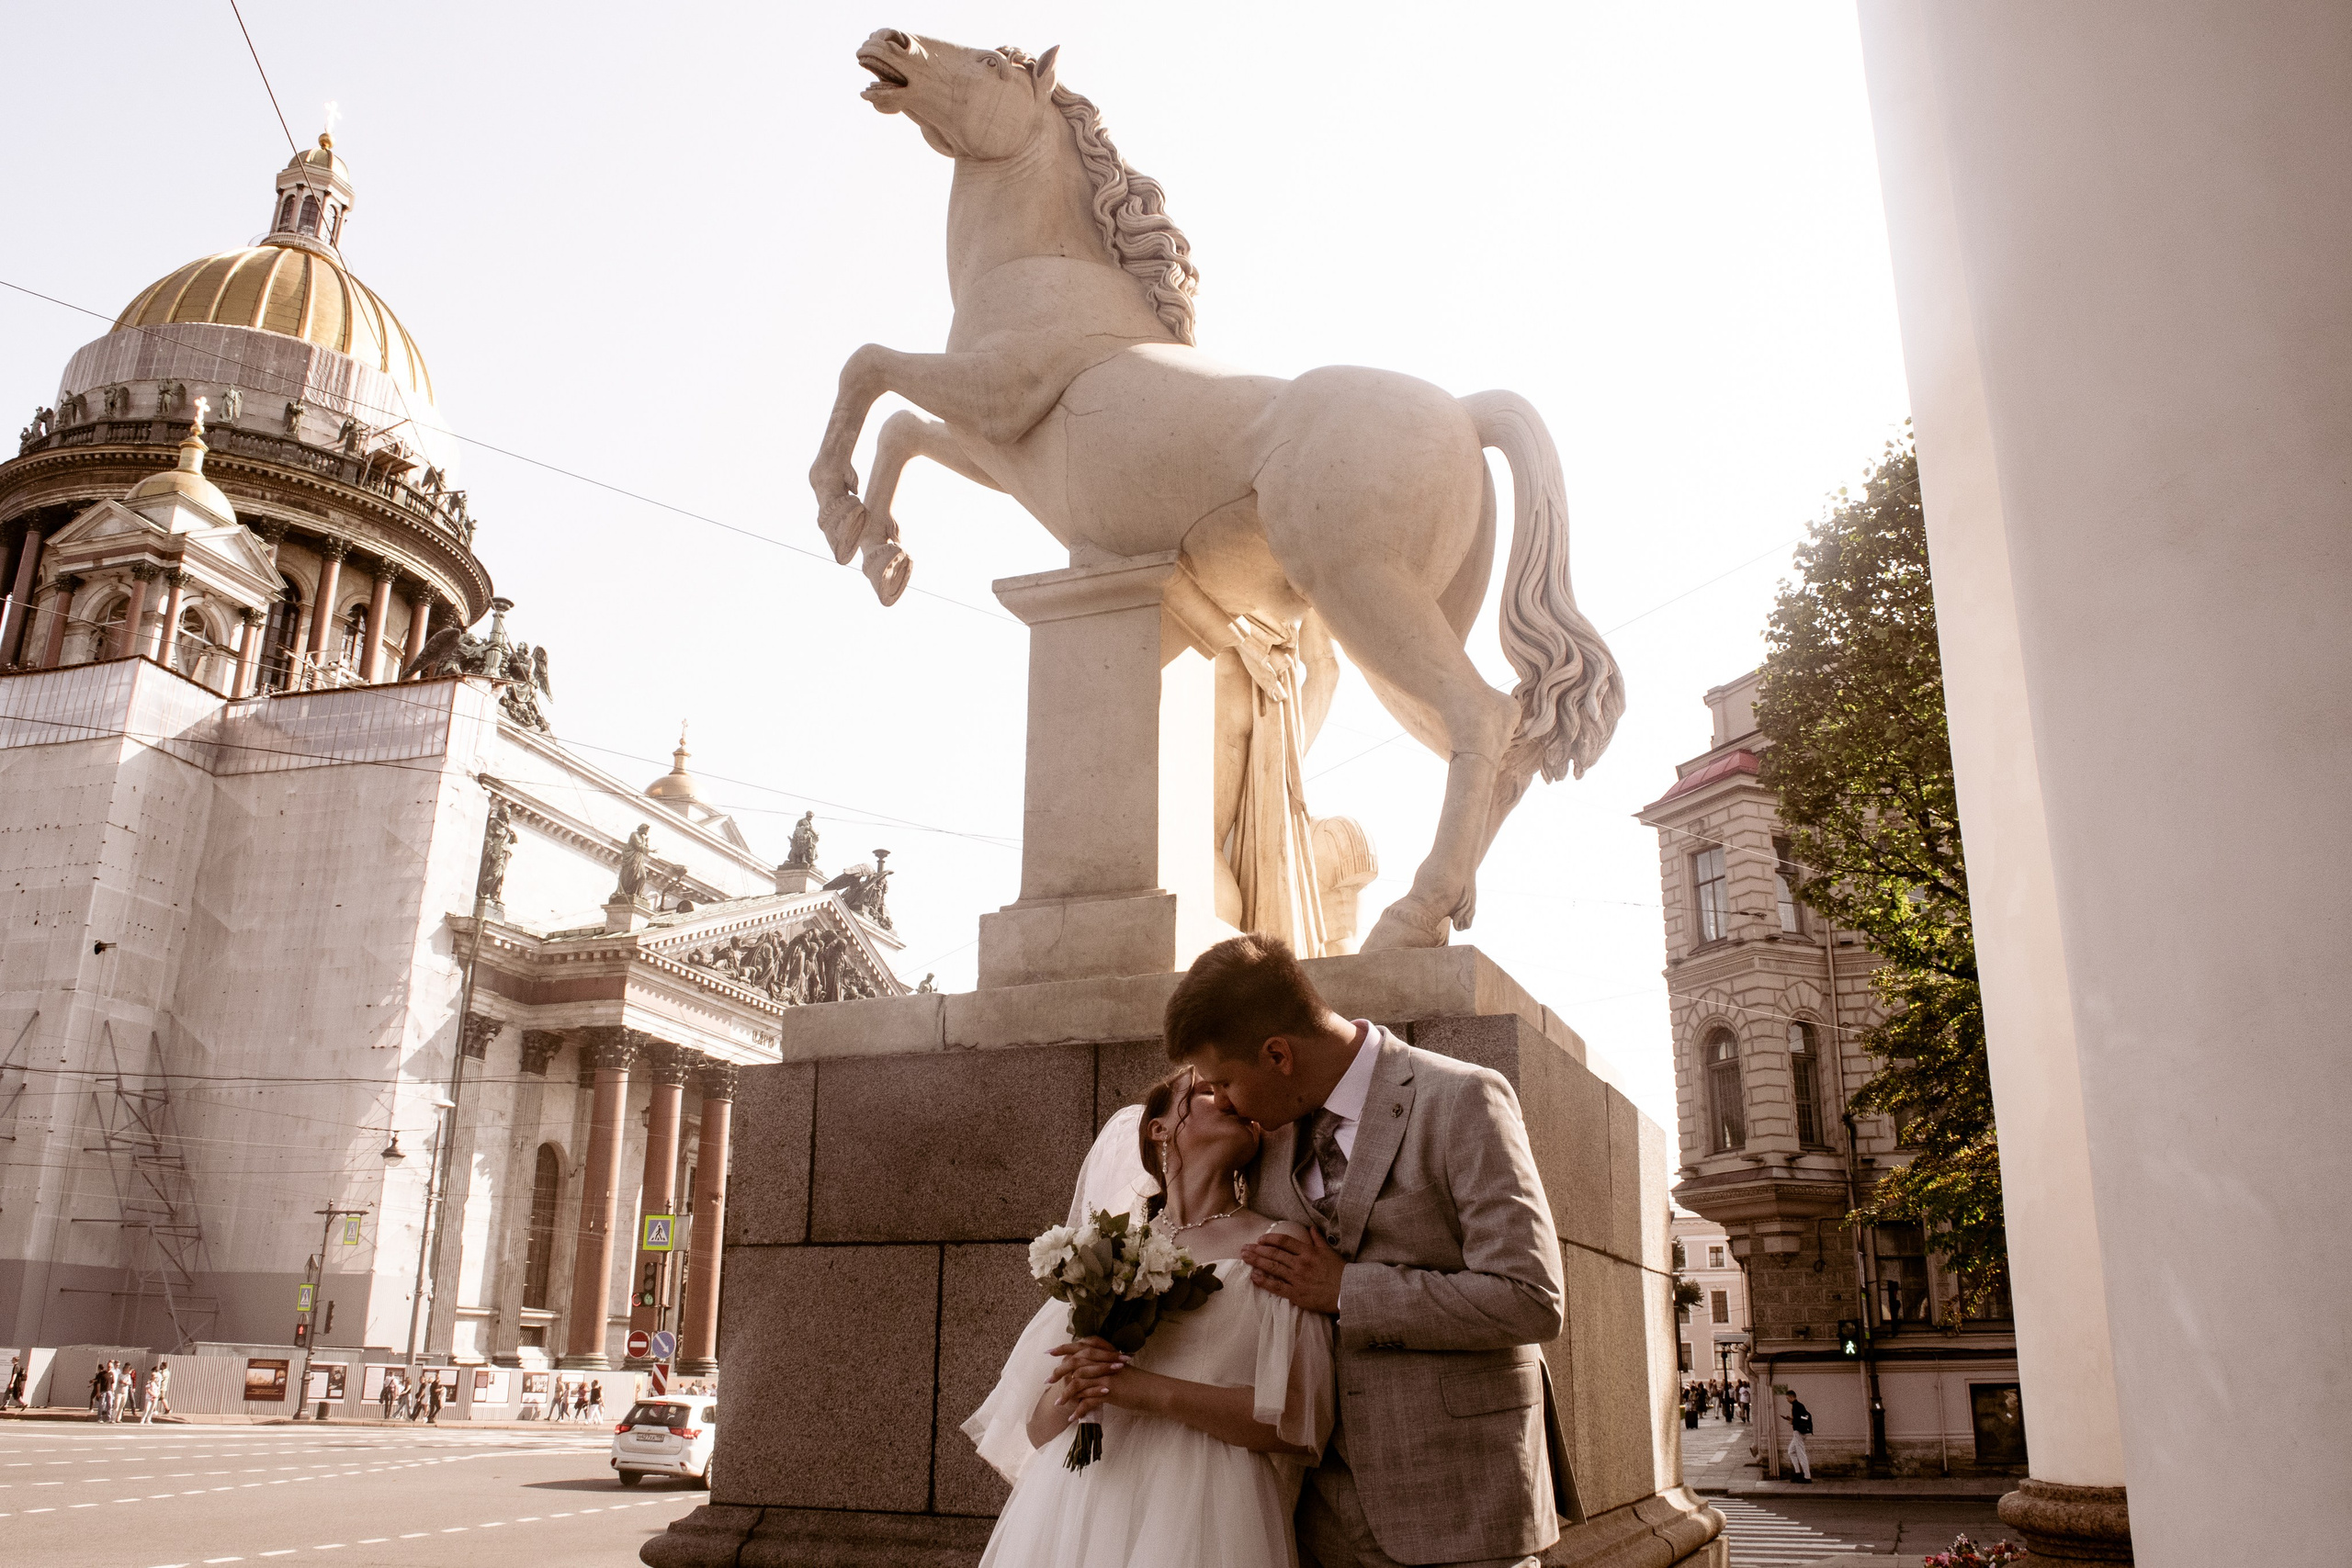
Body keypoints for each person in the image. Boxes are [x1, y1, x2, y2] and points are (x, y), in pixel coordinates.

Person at [1170, 933, 1573, 1568]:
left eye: (1224, 1082)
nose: (1220, 1102)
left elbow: (1530, 1298)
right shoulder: (1267, 1138)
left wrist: (1348, 1291)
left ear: (1278, 1054)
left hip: (1460, 1505)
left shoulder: (1464, 1100)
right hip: (1314, 1517)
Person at [965, 1066, 1334, 1567]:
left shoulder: (1278, 1244)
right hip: (1083, 1501)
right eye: (1207, 1090)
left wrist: (1145, 1391)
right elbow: (1037, 1429)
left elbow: (1300, 1423)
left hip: (1209, 1507)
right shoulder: (1103, 1251)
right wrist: (1078, 1382)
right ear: (1159, 1127)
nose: (1231, 1099)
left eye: (1236, 1092)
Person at [1782, 1393, 1814, 1483]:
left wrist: (1792, 1421)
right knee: (1791, 1451)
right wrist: (1791, 1419)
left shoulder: (1796, 1406)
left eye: (1787, 1398)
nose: (1787, 1400)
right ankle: (1798, 1473)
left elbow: (1798, 1420)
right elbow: (1802, 1418)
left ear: (1792, 1397)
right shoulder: (1799, 1406)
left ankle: (1807, 1477)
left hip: (1798, 1432)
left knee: (1801, 1454)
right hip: (1800, 1432)